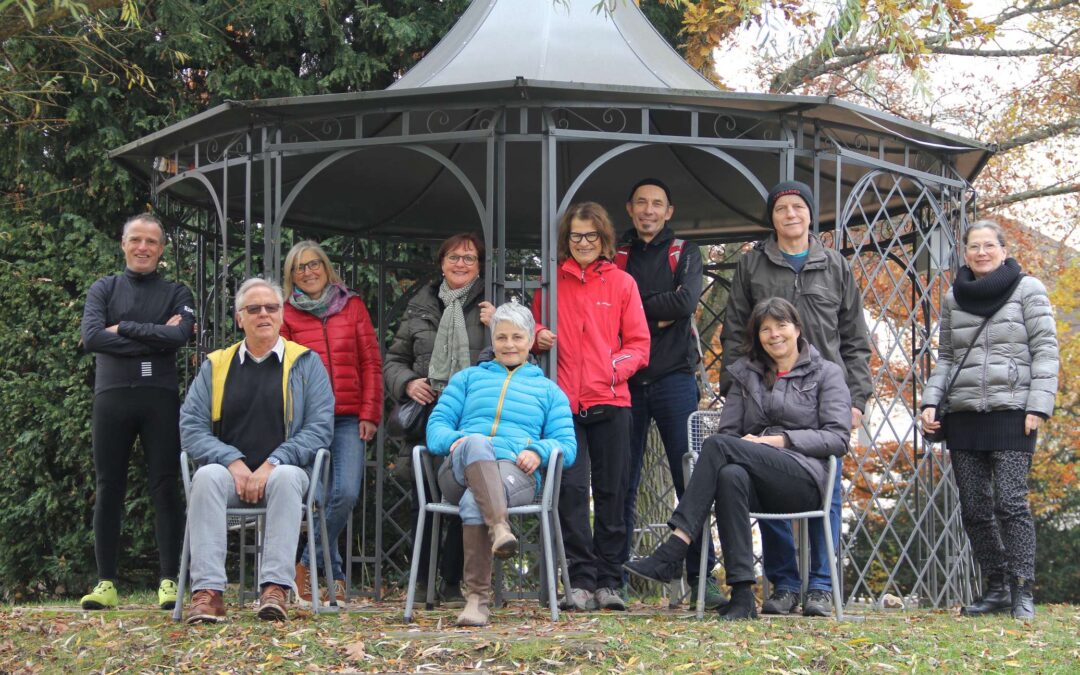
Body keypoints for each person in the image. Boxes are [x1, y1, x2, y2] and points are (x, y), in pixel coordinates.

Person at [626, 298, 851, 620]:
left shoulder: (826, 373)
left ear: (797, 329)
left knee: (718, 447)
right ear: (757, 336)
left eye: (782, 326)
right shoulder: (747, 375)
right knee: (730, 475)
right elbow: (730, 432)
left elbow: (837, 438)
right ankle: (743, 594)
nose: (774, 335)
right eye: (765, 329)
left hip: (805, 477)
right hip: (759, 479)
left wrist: (776, 440)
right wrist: (751, 447)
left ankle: (674, 548)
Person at [719, 180, 870, 617]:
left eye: (797, 207)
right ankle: (783, 584)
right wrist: (738, 391)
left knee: (829, 490)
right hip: (765, 394)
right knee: (768, 485)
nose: (790, 214)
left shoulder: (835, 266)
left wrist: (856, 398)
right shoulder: (752, 265)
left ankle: (822, 586)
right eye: (781, 208)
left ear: (809, 215)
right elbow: (733, 332)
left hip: (824, 396)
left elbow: (855, 339)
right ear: (773, 217)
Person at [920, 220, 1058, 620]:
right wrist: (932, 403)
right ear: (964, 252)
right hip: (963, 414)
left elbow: (1046, 351)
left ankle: (1022, 591)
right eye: (974, 246)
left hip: (1013, 411)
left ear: (1003, 250)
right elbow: (946, 357)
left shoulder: (1028, 289)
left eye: (989, 246)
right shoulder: (953, 297)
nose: (981, 253)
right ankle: (995, 587)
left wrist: (1039, 404)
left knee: (1011, 503)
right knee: (975, 508)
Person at [178, 278, 334, 623]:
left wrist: (273, 462)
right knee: (204, 476)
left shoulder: (307, 364)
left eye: (271, 307)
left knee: (287, 477)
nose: (263, 314)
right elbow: (190, 426)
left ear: (281, 315)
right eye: (254, 309)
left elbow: (320, 429)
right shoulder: (216, 365)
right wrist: (231, 461)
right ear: (239, 318)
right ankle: (208, 593)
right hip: (229, 477)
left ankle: (274, 588)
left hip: (285, 474)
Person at [425, 302, 577, 626]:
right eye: (502, 337)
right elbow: (436, 425)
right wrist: (453, 442)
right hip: (460, 469)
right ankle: (498, 527)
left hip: (514, 471)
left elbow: (567, 444)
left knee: (473, 500)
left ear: (529, 341)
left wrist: (539, 450)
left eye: (518, 337)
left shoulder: (549, 390)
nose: (509, 345)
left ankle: (477, 600)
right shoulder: (467, 379)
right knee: (476, 442)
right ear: (492, 340)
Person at [532, 202, 650, 611]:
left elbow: (639, 344)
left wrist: (612, 369)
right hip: (564, 404)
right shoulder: (549, 285)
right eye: (576, 236)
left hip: (612, 400)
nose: (583, 243)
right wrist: (538, 334)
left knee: (613, 492)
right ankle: (579, 580)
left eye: (591, 236)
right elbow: (529, 333)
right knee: (571, 491)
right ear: (566, 240)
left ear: (604, 240)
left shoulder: (622, 283)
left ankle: (610, 581)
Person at [79, 213, 195, 611]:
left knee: (165, 486)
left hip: (158, 398)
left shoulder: (177, 291)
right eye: (136, 240)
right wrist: (153, 334)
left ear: (161, 249)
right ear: (124, 243)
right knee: (108, 486)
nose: (143, 247)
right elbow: (92, 337)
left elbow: (179, 336)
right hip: (111, 398)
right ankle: (106, 583)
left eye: (151, 241)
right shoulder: (104, 288)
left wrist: (122, 329)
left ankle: (169, 581)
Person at [616, 178, 721, 608]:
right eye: (641, 202)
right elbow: (613, 308)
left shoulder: (686, 251)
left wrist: (633, 309)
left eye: (657, 203)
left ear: (669, 211)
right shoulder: (616, 254)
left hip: (676, 378)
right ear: (629, 208)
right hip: (625, 380)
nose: (648, 210)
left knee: (691, 476)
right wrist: (655, 312)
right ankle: (613, 575)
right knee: (621, 479)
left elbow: (685, 303)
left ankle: (702, 577)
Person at [383, 232, 495, 607]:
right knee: (426, 499)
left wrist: (496, 324)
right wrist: (408, 382)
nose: (461, 264)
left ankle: (451, 581)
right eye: (454, 257)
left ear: (480, 265)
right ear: (442, 263)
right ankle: (422, 582)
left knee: (469, 498)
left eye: (469, 258)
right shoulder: (420, 308)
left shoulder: (489, 305)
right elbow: (393, 360)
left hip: (475, 417)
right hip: (431, 415)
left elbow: (517, 349)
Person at [281, 241, 382, 604]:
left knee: (347, 492)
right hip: (307, 422)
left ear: (326, 267)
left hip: (349, 417)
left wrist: (371, 413)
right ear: (291, 276)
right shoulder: (286, 314)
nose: (308, 272)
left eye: (314, 265)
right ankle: (336, 579)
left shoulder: (351, 306)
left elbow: (370, 362)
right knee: (318, 498)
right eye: (299, 268)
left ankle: (305, 566)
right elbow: (283, 372)